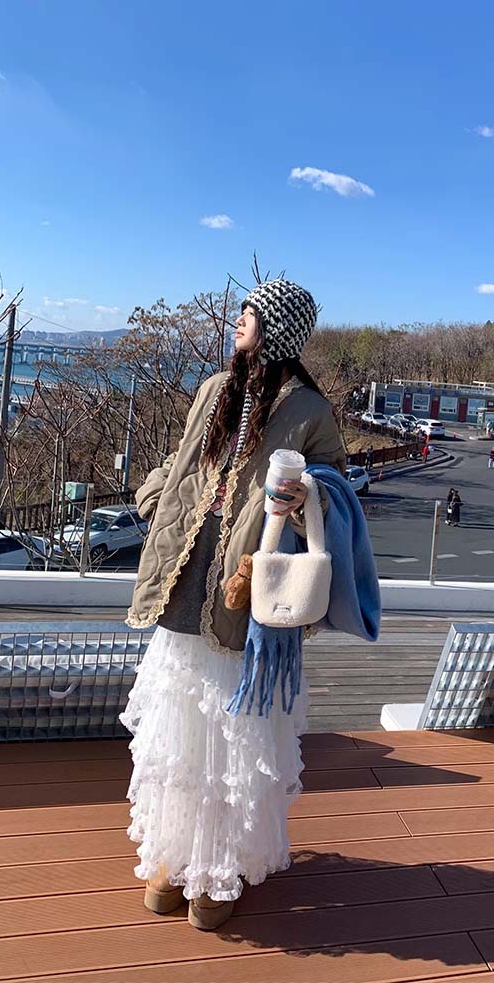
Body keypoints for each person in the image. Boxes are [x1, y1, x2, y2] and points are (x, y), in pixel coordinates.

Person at [121, 279, 350, 931]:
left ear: (275, 328)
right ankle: (171, 855)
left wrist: (306, 495)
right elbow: (183, 460)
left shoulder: (309, 410)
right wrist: (155, 499)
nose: (239, 319)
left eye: (251, 312)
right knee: (180, 720)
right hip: (186, 567)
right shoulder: (216, 389)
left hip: (248, 582)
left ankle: (217, 868)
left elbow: (337, 487)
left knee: (232, 729)